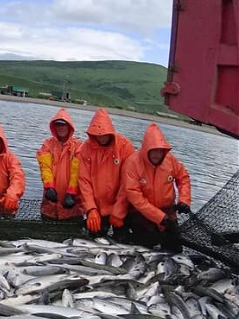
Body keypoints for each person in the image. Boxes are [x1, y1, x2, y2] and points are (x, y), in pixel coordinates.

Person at [115, 123, 191, 252]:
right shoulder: (132, 163)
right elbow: (134, 196)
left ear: (164, 150)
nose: (157, 154)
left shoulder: (171, 160)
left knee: (175, 250)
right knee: (144, 249)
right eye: (153, 150)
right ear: (146, 149)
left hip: (168, 213)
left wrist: (184, 199)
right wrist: (158, 217)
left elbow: (183, 178)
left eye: (160, 151)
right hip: (141, 215)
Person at [78, 108, 135, 237]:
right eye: (97, 134)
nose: (101, 137)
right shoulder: (86, 148)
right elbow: (84, 181)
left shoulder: (125, 147)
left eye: (104, 133)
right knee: (94, 240)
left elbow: (129, 181)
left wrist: (118, 211)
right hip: (97, 208)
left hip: (120, 207)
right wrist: (91, 209)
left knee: (122, 239)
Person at [36, 110, 84, 220]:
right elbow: (45, 167)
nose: (60, 128)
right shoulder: (47, 144)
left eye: (63, 125)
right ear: (54, 127)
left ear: (69, 126)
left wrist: (71, 193)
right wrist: (49, 187)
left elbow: (77, 172)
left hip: (73, 207)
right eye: (57, 125)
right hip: (50, 206)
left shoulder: (79, 147)